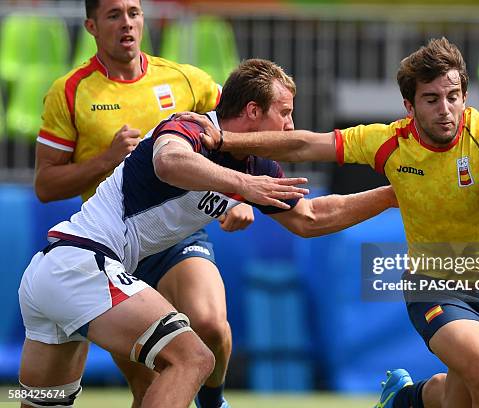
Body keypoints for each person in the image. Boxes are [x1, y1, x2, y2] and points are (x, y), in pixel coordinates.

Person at [180, 37, 479, 408]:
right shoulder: (390, 142)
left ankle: (405, 398)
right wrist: (226, 139)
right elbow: (308, 143)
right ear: (409, 107)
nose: (446, 110)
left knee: (460, 396)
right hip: (433, 282)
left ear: (465, 95)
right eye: (431, 99)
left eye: (453, 96)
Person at [19, 56, 399, 407]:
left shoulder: (258, 165)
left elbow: (310, 217)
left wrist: (389, 195)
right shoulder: (191, 126)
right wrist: (244, 186)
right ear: (253, 111)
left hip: (55, 274)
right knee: (193, 359)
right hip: (83, 264)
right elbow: (169, 161)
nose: (290, 127)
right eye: (284, 114)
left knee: (44, 401)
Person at [33, 1, 251, 406]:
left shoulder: (187, 80)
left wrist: (239, 192)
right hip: (109, 248)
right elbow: (45, 184)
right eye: (114, 14)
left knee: (210, 326)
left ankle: (214, 402)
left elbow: (243, 134)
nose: (127, 23)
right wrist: (106, 159)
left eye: (134, 12)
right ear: (91, 26)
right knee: (152, 385)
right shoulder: (70, 91)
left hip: (175, 237)